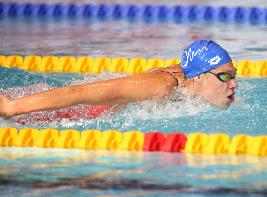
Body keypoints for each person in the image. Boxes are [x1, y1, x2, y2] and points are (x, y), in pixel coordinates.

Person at [0, 39, 238, 117]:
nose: (234, 83)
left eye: (234, 76)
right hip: (47, 112)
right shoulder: (160, 86)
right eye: (225, 76)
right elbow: (77, 94)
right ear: (198, 77)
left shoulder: (188, 78)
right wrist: (11, 107)